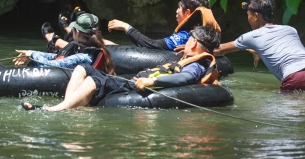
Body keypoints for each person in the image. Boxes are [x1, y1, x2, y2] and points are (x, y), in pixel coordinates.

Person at [22, 24, 221, 111]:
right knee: (83, 68)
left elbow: (182, 79)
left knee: (94, 80)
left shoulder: (197, 64)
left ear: (194, 44)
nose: (186, 43)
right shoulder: (189, 58)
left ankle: (52, 110)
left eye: (190, 40)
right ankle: (68, 107)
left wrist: (152, 80)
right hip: (133, 80)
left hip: (140, 85)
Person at [214, 0, 305, 92]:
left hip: (295, 77)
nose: (248, 19)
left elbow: (218, 50)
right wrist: (257, 51)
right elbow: (284, 50)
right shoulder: (290, 30)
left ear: (256, 16)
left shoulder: (252, 36)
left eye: (248, 15)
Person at [107, 0, 220, 51]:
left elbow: (151, 45)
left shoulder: (185, 36)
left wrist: (126, 27)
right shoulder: (202, 35)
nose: (176, 11)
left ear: (188, 13)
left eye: (179, 7)